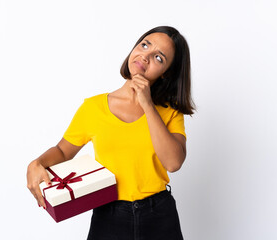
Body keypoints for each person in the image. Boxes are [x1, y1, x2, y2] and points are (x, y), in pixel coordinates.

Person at [27, 26, 196, 240]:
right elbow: (63, 151)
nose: (145, 56)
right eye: (144, 45)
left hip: (159, 216)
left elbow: (173, 163)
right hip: (109, 215)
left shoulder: (170, 112)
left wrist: (148, 105)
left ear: (166, 73)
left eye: (159, 58)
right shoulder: (94, 107)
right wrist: (36, 163)